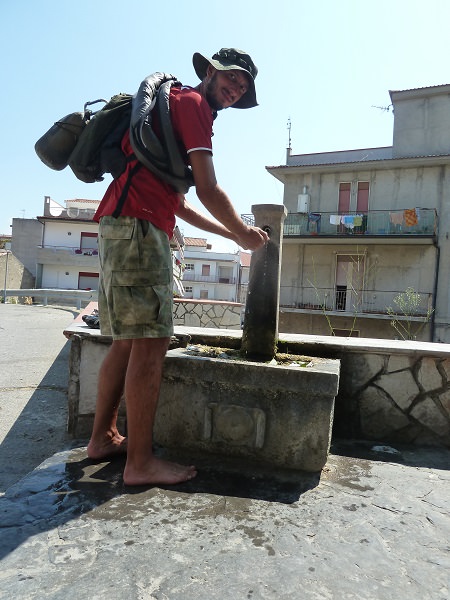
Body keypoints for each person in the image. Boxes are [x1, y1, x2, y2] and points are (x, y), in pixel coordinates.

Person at [87, 48, 269, 486]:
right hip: (138, 225)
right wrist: (244, 232)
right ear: (210, 71)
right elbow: (206, 187)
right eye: (232, 77)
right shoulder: (193, 106)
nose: (236, 88)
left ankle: (103, 439)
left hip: (125, 221)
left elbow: (180, 203)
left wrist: (230, 235)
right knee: (151, 340)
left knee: (128, 342)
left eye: (244, 86)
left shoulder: (174, 107)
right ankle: (140, 463)